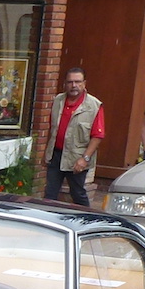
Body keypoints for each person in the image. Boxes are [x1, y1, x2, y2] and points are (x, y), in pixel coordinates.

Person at [44, 66, 104, 207]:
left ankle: (87, 219)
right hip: (56, 155)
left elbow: (98, 135)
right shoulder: (58, 100)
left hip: (77, 157)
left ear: (84, 83)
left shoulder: (94, 105)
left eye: (78, 82)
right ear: (65, 83)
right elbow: (52, 128)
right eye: (70, 82)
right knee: (50, 194)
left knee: (77, 193)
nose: (74, 85)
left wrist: (85, 159)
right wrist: (46, 153)